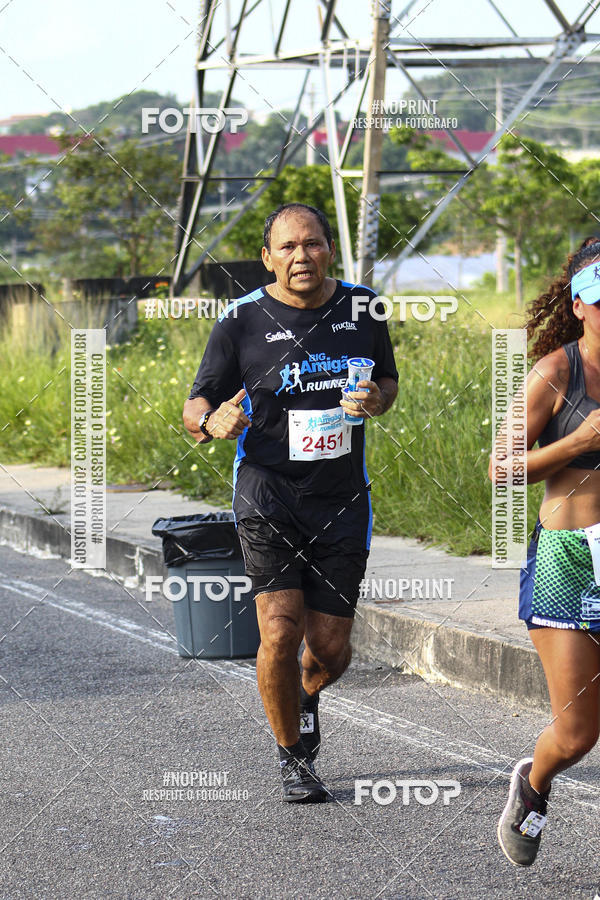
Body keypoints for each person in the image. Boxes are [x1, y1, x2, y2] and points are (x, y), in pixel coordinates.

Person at [183, 203, 398, 802]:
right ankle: (291, 757)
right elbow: (196, 405)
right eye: (287, 247)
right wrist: (213, 420)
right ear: (267, 257)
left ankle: (305, 698)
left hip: (340, 498)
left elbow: (388, 381)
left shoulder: (364, 307)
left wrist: (377, 402)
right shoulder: (240, 321)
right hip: (267, 493)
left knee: (329, 649)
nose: (301, 256)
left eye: (313, 244)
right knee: (279, 630)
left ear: (330, 248)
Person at [490, 237, 600, 865]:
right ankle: (534, 782)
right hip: (569, 560)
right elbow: (499, 468)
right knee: (580, 732)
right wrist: (576, 441)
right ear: (580, 305)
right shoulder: (554, 375)